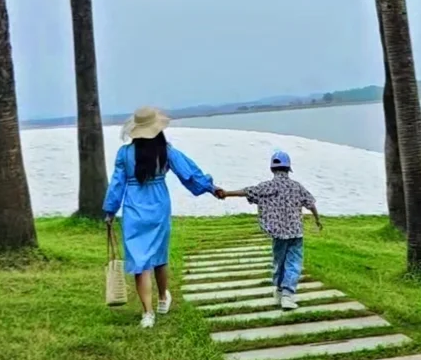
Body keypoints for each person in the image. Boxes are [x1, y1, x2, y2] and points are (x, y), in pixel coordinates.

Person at [103, 107, 220, 328]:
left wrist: (110, 211)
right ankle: (163, 298)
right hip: (159, 205)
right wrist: (210, 188)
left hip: (134, 208)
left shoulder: (124, 154)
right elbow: (189, 173)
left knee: (140, 261)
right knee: (159, 255)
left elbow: (117, 185)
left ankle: (147, 314)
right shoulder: (166, 151)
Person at [218, 149, 321, 309]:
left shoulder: (267, 186)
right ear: (289, 169)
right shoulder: (297, 186)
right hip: (295, 232)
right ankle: (288, 294)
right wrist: (317, 219)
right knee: (293, 262)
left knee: (279, 261)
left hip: (278, 233)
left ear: (272, 168)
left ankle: (279, 290)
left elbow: (247, 191)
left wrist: (226, 193)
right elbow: (310, 203)